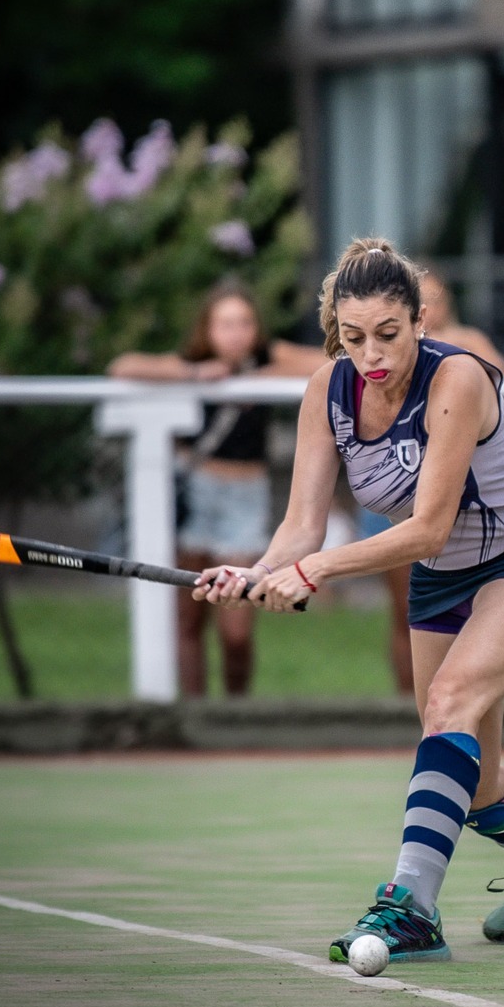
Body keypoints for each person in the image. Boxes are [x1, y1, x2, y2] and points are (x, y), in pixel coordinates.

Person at [197, 239, 504, 968]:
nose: (372, 354)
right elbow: (303, 523)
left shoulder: (456, 378)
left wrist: (313, 570)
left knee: (450, 700)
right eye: (353, 337)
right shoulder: (326, 391)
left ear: (420, 320)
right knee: (478, 784)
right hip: (442, 576)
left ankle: (411, 906)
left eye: (388, 334)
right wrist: (259, 569)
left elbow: (427, 524)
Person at [108, 283, 322, 697]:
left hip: (245, 497)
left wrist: (257, 379)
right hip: (196, 493)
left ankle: (234, 711)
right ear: (207, 329)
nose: (236, 333)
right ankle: (195, 715)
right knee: (189, 617)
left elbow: (326, 362)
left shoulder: (266, 358)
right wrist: (195, 374)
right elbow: (124, 366)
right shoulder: (195, 361)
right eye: (225, 324)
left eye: (244, 323)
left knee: (237, 627)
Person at [370, 268, 504, 696]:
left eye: (437, 296)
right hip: (402, 493)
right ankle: (407, 698)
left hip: (461, 499)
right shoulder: (381, 356)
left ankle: (459, 701)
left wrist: (456, 362)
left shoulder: (466, 343)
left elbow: (503, 378)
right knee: (407, 608)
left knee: (470, 614)